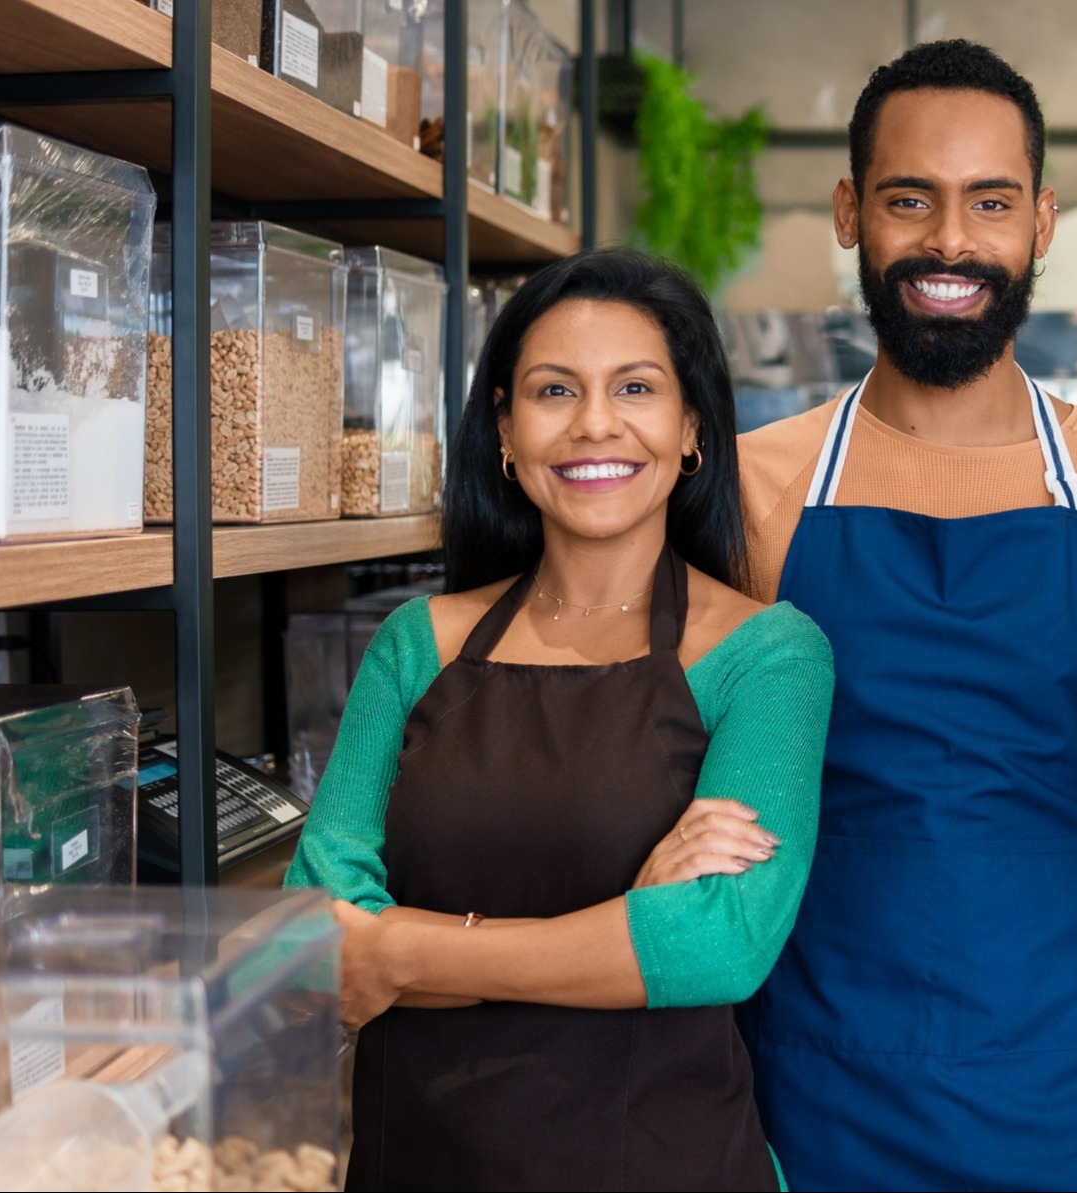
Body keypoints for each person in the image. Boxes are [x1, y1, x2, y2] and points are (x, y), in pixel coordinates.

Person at [732, 39, 1077, 1192]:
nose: (951, 242)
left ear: (1042, 223)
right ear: (851, 211)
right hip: (811, 1092)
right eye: (911, 199)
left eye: (990, 202)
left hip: (1073, 1092)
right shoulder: (748, 495)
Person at [285, 249, 833, 1192]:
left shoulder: (769, 655)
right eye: (552, 390)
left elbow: (719, 943)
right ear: (503, 428)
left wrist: (403, 949)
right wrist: (628, 916)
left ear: (691, 423)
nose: (593, 424)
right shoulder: (416, 646)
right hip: (421, 1163)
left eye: (635, 387)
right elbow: (320, 939)